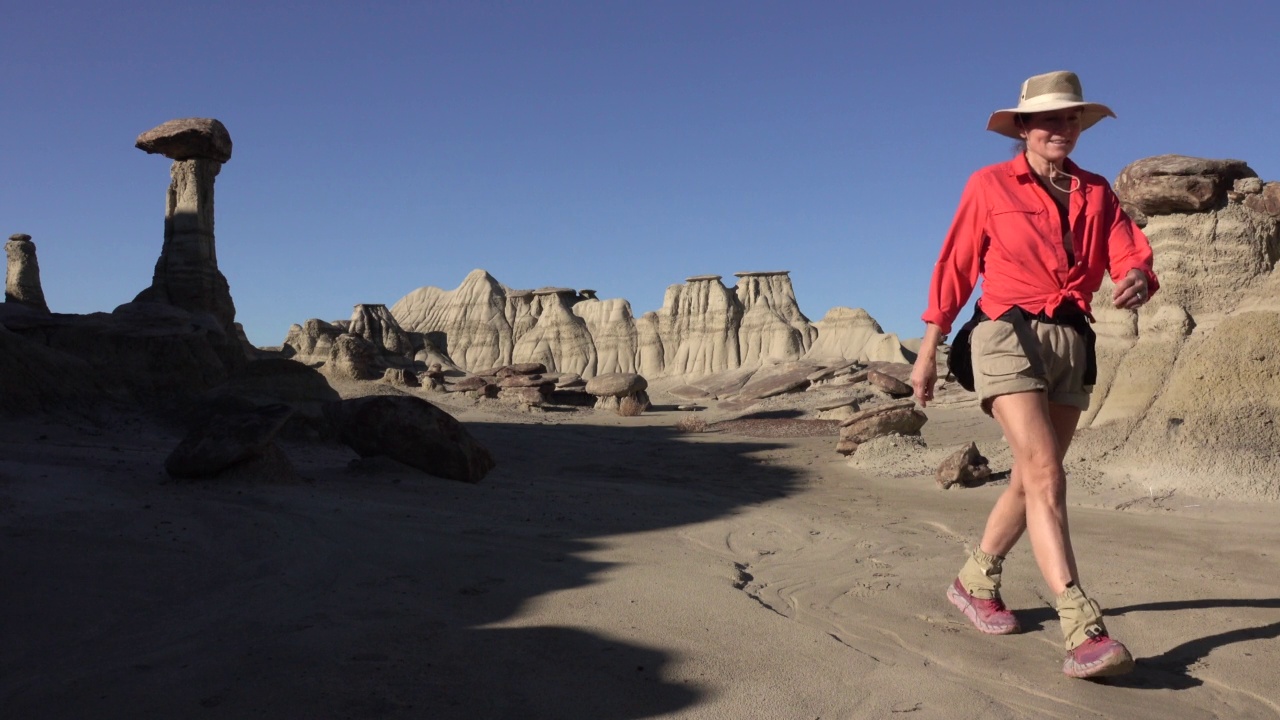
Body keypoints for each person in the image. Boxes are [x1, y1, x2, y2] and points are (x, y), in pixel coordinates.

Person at [910, 70, 1158, 679]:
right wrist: (927, 348)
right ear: (1022, 127)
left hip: (1072, 337)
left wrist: (1138, 278)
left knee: (1031, 475)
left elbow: (1130, 253)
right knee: (1047, 469)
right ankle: (1081, 626)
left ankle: (975, 581)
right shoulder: (989, 185)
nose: (1061, 128)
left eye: (1071, 118)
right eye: (1048, 119)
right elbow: (956, 266)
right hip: (1004, 332)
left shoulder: (1098, 192)